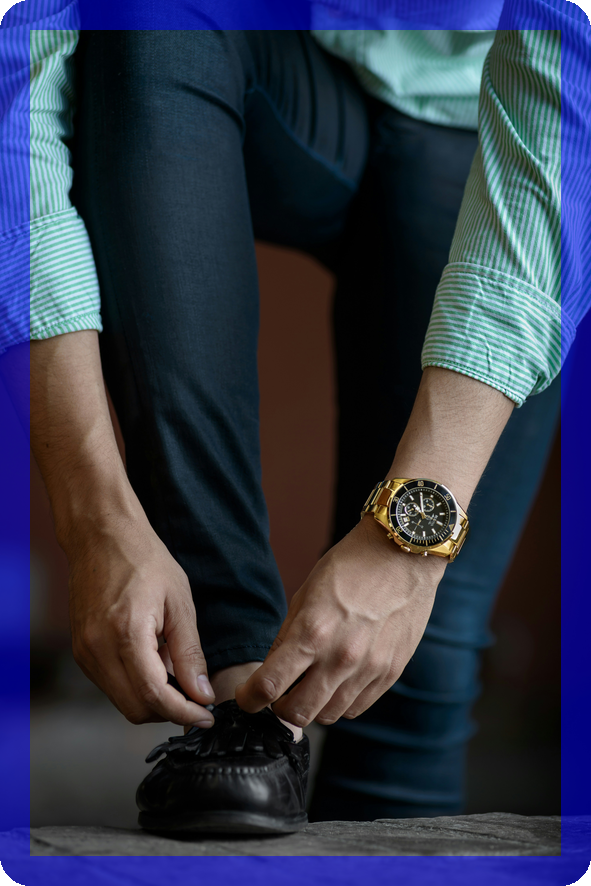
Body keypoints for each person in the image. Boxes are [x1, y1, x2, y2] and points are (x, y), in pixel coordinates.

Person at [0, 0, 587, 833]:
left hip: (495, 129)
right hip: (250, 66)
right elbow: (16, 111)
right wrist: (93, 517)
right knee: (151, 20)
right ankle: (235, 683)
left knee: (413, 673)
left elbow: (561, 121)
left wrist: (404, 551)